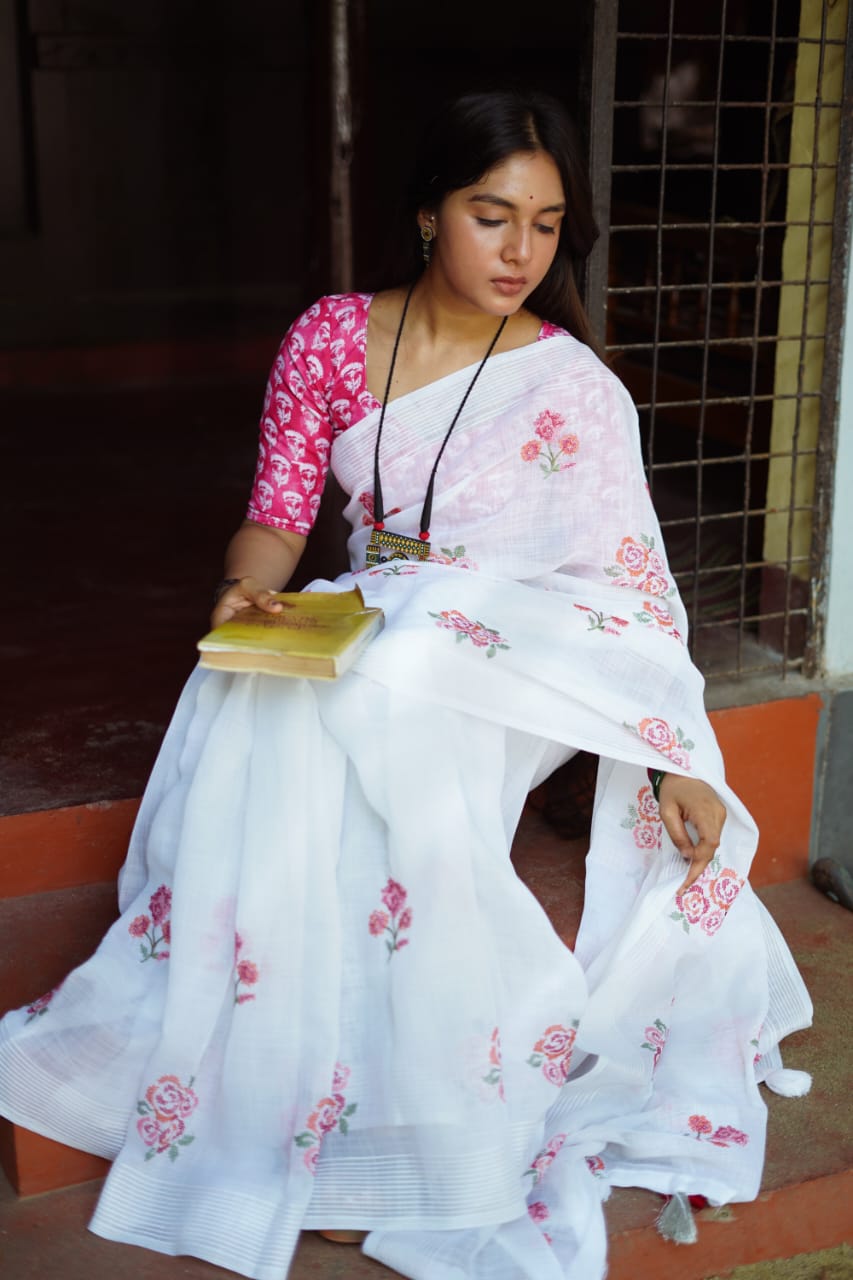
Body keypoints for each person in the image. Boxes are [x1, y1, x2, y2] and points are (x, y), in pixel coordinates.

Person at [0, 89, 811, 1280]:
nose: (520, 251)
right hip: (382, 630)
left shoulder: (573, 385)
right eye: (492, 216)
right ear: (430, 212)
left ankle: (408, 1123)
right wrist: (243, 594)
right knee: (278, 697)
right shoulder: (329, 337)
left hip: (513, 646)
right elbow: (277, 520)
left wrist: (681, 754)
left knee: (387, 685)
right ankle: (328, 1120)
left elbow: (635, 584)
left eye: (545, 225)